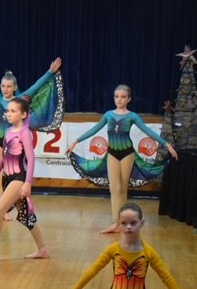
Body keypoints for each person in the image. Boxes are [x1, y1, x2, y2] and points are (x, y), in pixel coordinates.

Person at [62, 203, 194, 289]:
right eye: (124, 223)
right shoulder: (113, 249)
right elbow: (93, 270)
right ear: (118, 225)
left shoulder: (148, 252)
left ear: (142, 223)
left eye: (133, 223)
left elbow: (166, 276)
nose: (128, 227)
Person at [66, 84, 178, 234]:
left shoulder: (132, 116)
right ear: (114, 98)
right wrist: (76, 141)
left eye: (123, 97)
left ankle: (123, 222)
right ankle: (115, 222)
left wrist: (167, 144)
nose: (119, 100)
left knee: (123, 188)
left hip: (127, 153)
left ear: (129, 99)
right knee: (114, 188)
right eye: (117, 96)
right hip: (112, 153)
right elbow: (95, 129)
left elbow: (147, 131)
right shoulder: (108, 115)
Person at [0, 49, 63, 221]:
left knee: (14, 175)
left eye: (9, 86)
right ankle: (2, 207)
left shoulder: (20, 101)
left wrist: (50, 73)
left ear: (15, 87)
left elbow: (36, 87)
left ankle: (20, 205)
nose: (5, 89)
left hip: (16, 144)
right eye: (3, 86)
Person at [0, 96, 50, 259]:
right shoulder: (7, 132)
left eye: (13, 111)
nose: (8, 114)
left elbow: (31, 158)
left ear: (23, 115)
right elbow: (5, 157)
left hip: (19, 178)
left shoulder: (25, 133)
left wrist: (28, 183)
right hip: (9, 177)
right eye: (8, 111)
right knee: (27, 217)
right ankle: (43, 249)